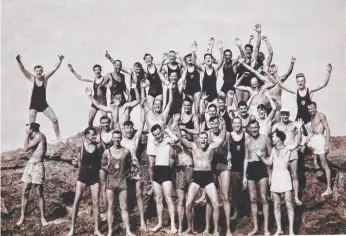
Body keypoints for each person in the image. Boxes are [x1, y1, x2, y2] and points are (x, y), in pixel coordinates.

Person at [176, 124, 226, 236]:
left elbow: (222, 139)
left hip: (208, 176)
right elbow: (180, 138)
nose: (203, 140)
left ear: (207, 139)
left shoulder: (211, 146)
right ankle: (189, 228)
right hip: (197, 176)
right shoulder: (193, 146)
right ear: (198, 139)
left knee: (216, 204)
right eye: (201, 138)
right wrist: (178, 125)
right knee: (188, 204)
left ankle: (215, 230)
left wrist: (223, 125)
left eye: (205, 138)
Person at [260, 121, 303, 235]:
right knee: (277, 205)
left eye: (273, 137)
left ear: (278, 138)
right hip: (275, 178)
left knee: (289, 204)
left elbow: (298, 142)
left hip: (285, 177)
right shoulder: (273, 150)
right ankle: (279, 229)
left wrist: (299, 129)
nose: (272, 139)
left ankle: (292, 231)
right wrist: (261, 157)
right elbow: (269, 164)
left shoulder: (288, 148)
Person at [16, 54, 64, 140]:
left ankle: (59, 139)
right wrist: (18, 61)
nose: (39, 72)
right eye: (37, 71)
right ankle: (30, 143)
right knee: (31, 126)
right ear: (34, 72)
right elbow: (23, 69)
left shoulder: (45, 78)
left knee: (55, 120)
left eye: (40, 71)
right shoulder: (31, 78)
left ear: (42, 71)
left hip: (43, 104)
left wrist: (60, 60)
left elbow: (54, 68)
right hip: (34, 104)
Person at [68, 127, 103, 236]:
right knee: (77, 200)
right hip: (83, 174)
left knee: (96, 201)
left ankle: (96, 229)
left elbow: (101, 159)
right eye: (92, 134)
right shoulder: (80, 146)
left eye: (95, 134)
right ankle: (72, 229)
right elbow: (79, 162)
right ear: (87, 135)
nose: (94, 136)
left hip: (94, 174)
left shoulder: (98, 146)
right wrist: (81, 173)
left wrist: (100, 143)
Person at [117, 111, 147, 231]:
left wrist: (143, 108)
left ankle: (142, 221)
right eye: (127, 128)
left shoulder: (135, 138)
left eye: (130, 128)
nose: (129, 130)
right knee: (126, 195)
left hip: (135, 167)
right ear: (123, 129)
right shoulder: (120, 139)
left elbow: (143, 122)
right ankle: (126, 222)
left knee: (138, 193)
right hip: (125, 169)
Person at [141, 82, 173, 192]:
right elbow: (144, 102)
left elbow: (170, 102)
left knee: (163, 163)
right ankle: (152, 185)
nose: (158, 105)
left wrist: (170, 90)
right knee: (151, 164)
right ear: (153, 105)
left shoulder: (164, 114)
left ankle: (164, 182)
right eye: (156, 103)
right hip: (151, 140)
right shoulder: (149, 113)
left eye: (159, 104)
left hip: (162, 142)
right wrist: (143, 88)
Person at [101, 130, 134, 236]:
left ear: (121, 138)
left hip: (122, 181)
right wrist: (108, 169)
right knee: (110, 206)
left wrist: (124, 173)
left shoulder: (126, 151)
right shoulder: (107, 152)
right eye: (115, 137)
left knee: (124, 207)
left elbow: (129, 165)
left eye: (118, 137)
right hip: (110, 183)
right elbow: (102, 164)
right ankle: (110, 231)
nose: (116, 139)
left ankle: (128, 231)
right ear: (112, 138)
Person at [243, 120, 272, 235]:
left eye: (256, 127)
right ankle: (255, 227)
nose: (254, 129)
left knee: (264, 198)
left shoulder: (265, 139)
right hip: (251, 168)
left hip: (262, 168)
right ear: (249, 129)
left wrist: (270, 175)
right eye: (252, 128)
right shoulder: (247, 141)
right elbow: (246, 158)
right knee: (253, 199)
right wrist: (244, 176)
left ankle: (266, 228)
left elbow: (271, 157)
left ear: (259, 127)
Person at [17, 123, 48, 226]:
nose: (26, 132)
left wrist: (26, 135)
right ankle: (22, 217)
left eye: (28, 130)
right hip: (30, 165)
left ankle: (43, 218)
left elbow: (25, 148)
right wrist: (28, 135)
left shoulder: (40, 136)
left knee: (39, 193)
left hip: (37, 166)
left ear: (32, 130)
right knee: (24, 191)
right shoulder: (34, 138)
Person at [207, 117, 232, 236]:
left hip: (223, 165)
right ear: (210, 125)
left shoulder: (225, 134)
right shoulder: (207, 135)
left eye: (216, 123)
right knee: (209, 198)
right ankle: (210, 228)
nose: (215, 126)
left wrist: (230, 159)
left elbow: (228, 150)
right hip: (211, 167)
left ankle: (228, 229)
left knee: (225, 196)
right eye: (212, 124)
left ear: (219, 124)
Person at [150, 124, 177, 234]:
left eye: (158, 133)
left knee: (168, 198)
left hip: (166, 171)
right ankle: (160, 223)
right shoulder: (155, 142)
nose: (157, 136)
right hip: (157, 171)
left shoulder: (167, 140)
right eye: (155, 135)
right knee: (158, 199)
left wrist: (168, 130)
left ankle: (173, 225)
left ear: (162, 131)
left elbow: (175, 140)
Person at [272, 109, 303, 205]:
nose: (285, 116)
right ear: (281, 115)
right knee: (281, 174)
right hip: (282, 152)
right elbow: (270, 136)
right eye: (283, 114)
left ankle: (296, 197)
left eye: (287, 115)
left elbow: (299, 139)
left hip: (292, 151)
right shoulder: (277, 125)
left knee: (294, 174)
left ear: (289, 115)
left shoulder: (294, 124)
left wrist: (299, 128)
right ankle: (281, 196)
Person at [169, 119, 194, 234]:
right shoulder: (175, 146)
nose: (182, 138)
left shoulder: (190, 145)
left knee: (190, 201)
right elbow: (171, 161)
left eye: (184, 136)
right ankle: (180, 227)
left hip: (190, 170)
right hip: (179, 172)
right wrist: (173, 152)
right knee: (180, 201)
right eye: (181, 136)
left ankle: (191, 226)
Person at [305, 102, 332, 197]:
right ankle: (316, 161)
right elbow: (311, 133)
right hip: (315, 138)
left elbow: (328, 129)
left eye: (312, 108)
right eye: (309, 109)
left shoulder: (321, 115)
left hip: (320, 139)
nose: (310, 110)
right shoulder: (311, 118)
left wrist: (327, 145)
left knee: (324, 164)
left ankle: (329, 188)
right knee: (305, 143)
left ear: (315, 107)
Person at [234, 24, 262, 102]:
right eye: (247, 50)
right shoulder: (242, 58)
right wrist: (240, 46)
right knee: (239, 104)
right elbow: (243, 53)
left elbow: (257, 46)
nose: (248, 51)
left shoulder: (253, 60)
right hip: (239, 83)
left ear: (252, 51)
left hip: (248, 85)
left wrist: (259, 33)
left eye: (250, 50)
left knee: (246, 104)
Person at [263, 57, 295, 121]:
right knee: (267, 125)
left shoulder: (280, 79)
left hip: (277, 106)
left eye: (273, 71)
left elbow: (288, 72)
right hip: (267, 106)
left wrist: (292, 63)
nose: (271, 73)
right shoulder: (266, 81)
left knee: (276, 124)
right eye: (270, 71)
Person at [227, 117, 247, 219]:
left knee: (244, 189)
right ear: (232, 124)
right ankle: (235, 211)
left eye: (239, 123)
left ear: (241, 123)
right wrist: (229, 161)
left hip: (244, 165)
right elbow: (228, 150)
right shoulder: (229, 135)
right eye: (235, 123)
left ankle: (245, 211)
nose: (237, 125)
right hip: (234, 167)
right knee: (234, 190)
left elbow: (247, 153)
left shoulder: (245, 135)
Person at [193, 38, 224, 105]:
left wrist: (221, 49)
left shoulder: (215, 70)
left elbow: (221, 62)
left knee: (216, 111)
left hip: (214, 96)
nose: (208, 59)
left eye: (209, 58)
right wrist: (193, 51)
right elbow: (194, 62)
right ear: (204, 61)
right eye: (206, 58)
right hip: (205, 96)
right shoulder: (203, 70)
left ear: (212, 60)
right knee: (202, 113)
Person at [98, 116, 113, 210]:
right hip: (102, 164)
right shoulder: (98, 136)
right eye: (103, 123)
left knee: (114, 186)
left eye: (107, 122)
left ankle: (114, 209)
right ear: (101, 124)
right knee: (103, 185)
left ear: (109, 122)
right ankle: (107, 209)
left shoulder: (113, 133)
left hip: (113, 163)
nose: (105, 124)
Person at [183, 41, 202, 114]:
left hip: (197, 89)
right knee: (188, 110)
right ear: (185, 60)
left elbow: (195, 62)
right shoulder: (184, 69)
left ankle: (198, 123)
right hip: (188, 90)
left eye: (191, 56)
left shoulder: (197, 67)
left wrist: (193, 51)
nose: (190, 58)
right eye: (188, 57)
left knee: (197, 109)